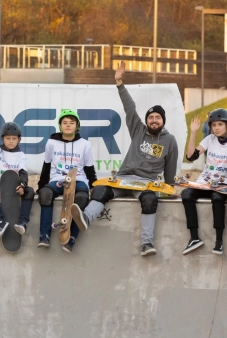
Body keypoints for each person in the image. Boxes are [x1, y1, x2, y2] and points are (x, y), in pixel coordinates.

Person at [76, 60, 179, 256]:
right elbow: (130, 107)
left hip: (145, 183)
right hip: (123, 178)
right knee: (101, 190)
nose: (154, 120)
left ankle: (146, 244)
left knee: (150, 201)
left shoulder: (169, 140)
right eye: (151, 117)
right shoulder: (138, 130)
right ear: (147, 120)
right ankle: (86, 218)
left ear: (163, 121)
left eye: (158, 118)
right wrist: (120, 83)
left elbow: (170, 169)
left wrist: (170, 188)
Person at [182, 109, 227, 255]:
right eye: (213, 125)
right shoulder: (209, 139)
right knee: (186, 194)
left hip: (223, 184)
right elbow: (191, 156)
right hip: (205, 182)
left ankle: (219, 241)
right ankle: (195, 238)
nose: (216, 128)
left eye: (220, 124)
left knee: (216, 198)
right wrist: (193, 133)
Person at [37, 109, 97, 253]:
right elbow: (46, 166)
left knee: (82, 198)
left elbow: (89, 168)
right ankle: (44, 235)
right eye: (65, 123)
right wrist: (41, 186)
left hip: (79, 178)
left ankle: (72, 237)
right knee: (45, 194)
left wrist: (93, 185)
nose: (68, 125)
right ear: (60, 125)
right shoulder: (51, 143)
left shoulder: (85, 144)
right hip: (58, 178)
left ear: (77, 126)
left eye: (72, 123)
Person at [0, 121, 34, 237]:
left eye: (14, 138)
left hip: (15, 186)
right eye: (8, 138)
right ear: (3, 139)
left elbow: (23, 172)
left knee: (30, 192)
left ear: (19, 139)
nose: (11, 141)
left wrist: (23, 185)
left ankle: (23, 222)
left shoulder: (21, 155)